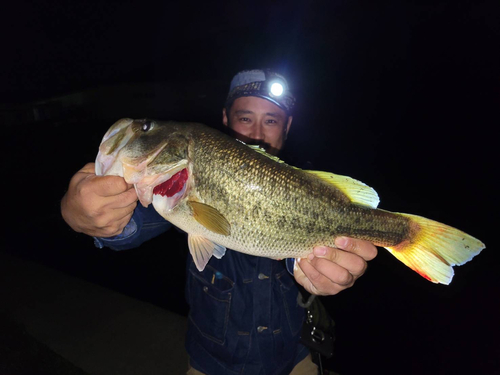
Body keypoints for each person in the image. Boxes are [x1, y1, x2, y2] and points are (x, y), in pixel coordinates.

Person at [61, 69, 377, 375]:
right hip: (214, 364)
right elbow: (131, 225)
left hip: (294, 358)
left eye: (270, 120)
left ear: (287, 125)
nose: (256, 133)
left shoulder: (305, 185)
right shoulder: (178, 181)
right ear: (225, 119)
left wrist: (328, 271)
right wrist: (82, 214)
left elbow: (300, 254)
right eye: (244, 118)